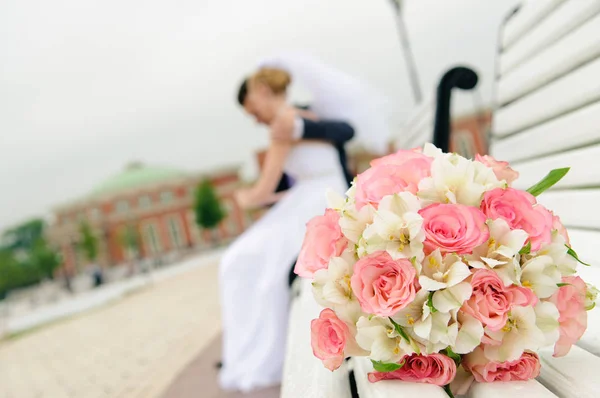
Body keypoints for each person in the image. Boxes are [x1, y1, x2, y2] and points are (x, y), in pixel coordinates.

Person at [218, 52, 391, 393]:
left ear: (262, 91)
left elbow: (265, 187)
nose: (255, 119)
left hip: (315, 203)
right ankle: (255, 348)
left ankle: (257, 352)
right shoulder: (304, 115)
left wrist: (244, 198)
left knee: (239, 263)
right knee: (254, 265)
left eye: (253, 109)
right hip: (319, 196)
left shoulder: (286, 125)